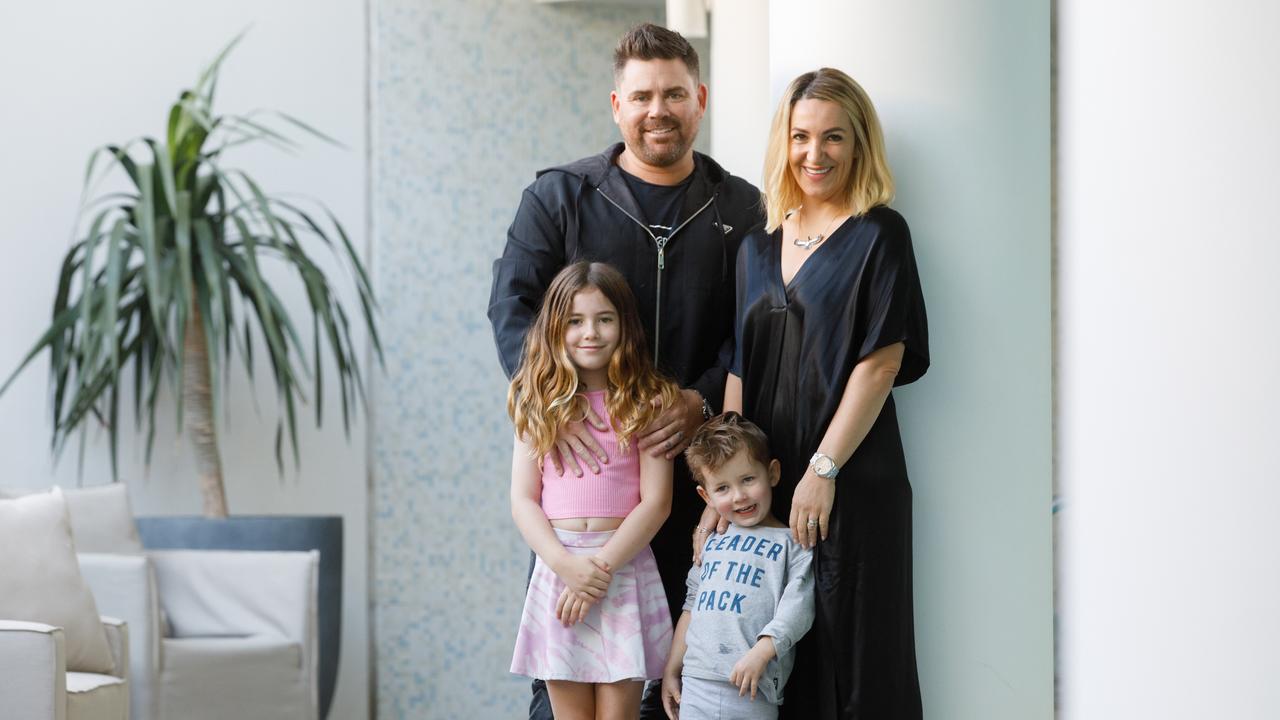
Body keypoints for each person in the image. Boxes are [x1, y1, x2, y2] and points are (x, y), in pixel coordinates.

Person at [489, 22, 764, 719]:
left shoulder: (741, 208)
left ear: (699, 99)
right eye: (642, 96)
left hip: (698, 479)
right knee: (568, 675)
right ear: (617, 105)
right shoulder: (559, 198)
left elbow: (755, 329)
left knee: (689, 674)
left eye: (674, 94)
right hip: (591, 486)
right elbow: (513, 310)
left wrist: (700, 402)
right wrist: (561, 406)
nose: (658, 110)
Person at [704, 68, 930, 718]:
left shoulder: (879, 235)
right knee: (774, 661)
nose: (815, 153)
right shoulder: (755, 248)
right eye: (801, 136)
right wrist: (723, 489)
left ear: (858, 144)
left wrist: (822, 469)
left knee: (857, 661)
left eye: (833, 137)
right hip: (764, 489)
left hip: (852, 484)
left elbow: (880, 362)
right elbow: (742, 370)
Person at [509, 261, 680, 720]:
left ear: (624, 325)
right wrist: (568, 567)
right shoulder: (537, 403)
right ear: (555, 328)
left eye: (604, 319)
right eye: (575, 321)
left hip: (620, 572)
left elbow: (657, 502)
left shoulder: (650, 399)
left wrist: (598, 572)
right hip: (560, 571)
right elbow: (523, 500)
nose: (591, 332)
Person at [661, 412, 813, 720]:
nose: (739, 496)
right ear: (706, 496)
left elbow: (799, 606)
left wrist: (763, 651)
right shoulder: (711, 543)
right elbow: (691, 607)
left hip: (752, 685)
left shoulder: (791, 543)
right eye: (723, 488)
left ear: (772, 473)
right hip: (697, 682)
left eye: (747, 479)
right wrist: (672, 668)